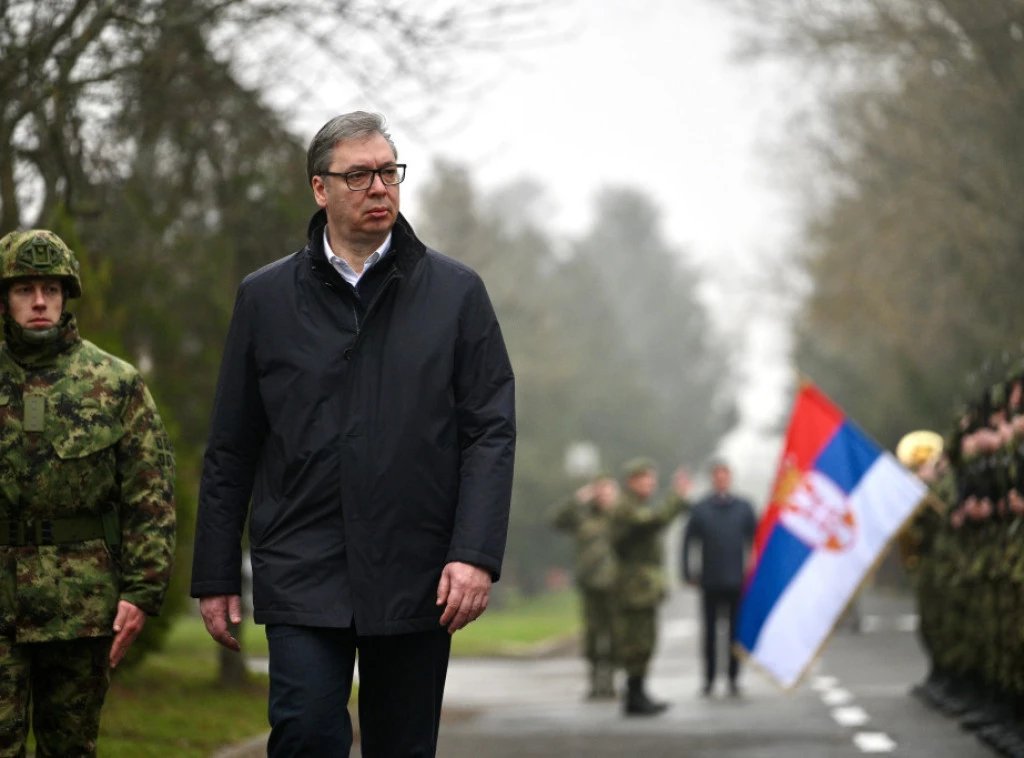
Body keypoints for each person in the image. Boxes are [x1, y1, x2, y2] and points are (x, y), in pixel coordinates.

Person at [190, 111, 517, 758]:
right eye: (359, 175)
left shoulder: (456, 294)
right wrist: (216, 573)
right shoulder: (265, 299)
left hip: (417, 567)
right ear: (320, 188)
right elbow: (232, 446)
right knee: (306, 733)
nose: (379, 188)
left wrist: (474, 553)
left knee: (402, 747)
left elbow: (490, 431)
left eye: (389, 173)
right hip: (302, 563)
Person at [0, 229, 176, 757]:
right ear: (5, 299)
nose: (39, 302)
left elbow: (151, 496)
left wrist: (142, 592)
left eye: (51, 289)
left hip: (78, 610)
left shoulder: (114, 384)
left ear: (66, 296)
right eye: (25, 289)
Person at [610, 457, 691, 716]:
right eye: (645, 479)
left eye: (652, 479)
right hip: (633, 587)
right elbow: (653, 521)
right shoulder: (625, 507)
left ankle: (638, 691)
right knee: (636, 642)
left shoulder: (636, 505)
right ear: (632, 481)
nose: (651, 484)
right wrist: (676, 498)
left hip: (642, 587)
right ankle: (634, 694)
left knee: (645, 641)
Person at [681, 460, 756, 698]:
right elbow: (688, 541)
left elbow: (757, 540)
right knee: (710, 633)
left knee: (735, 633)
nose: (721, 481)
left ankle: (733, 678)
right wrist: (687, 571)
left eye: (725, 476)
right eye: (717, 477)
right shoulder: (701, 509)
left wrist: (757, 572)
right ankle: (709, 679)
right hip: (710, 579)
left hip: (737, 580)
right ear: (712, 479)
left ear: (730, 479)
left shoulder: (743, 508)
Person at [549, 472, 621, 700]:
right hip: (590, 584)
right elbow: (556, 521)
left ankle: (611, 681)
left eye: (609, 491)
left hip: (616, 584)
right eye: (601, 491)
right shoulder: (583, 516)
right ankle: (594, 681)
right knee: (592, 636)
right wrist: (577, 499)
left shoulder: (622, 517)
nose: (605, 496)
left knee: (616, 635)